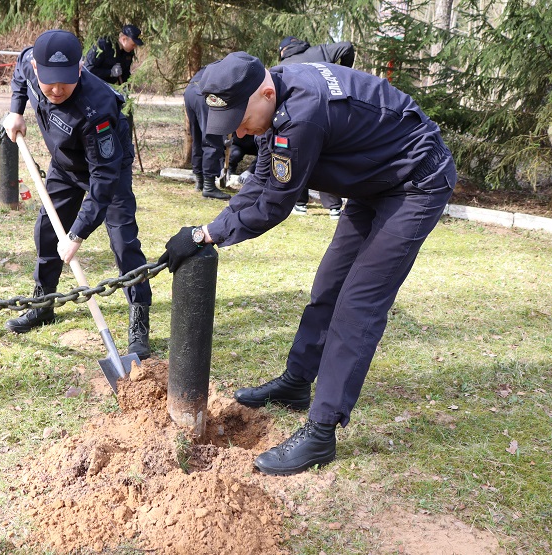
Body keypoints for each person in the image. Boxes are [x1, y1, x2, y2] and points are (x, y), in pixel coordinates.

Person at [159, 52, 455, 475]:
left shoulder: (302, 116)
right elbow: (262, 180)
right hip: (374, 182)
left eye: (241, 121)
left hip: (415, 184)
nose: (239, 132)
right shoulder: (275, 102)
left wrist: (207, 235)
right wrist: (206, 230)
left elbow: (273, 204)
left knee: (358, 304)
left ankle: (321, 431)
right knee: (328, 286)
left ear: (265, 93)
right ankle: (297, 383)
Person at [2, 30, 152, 359]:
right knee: (45, 231)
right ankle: (43, 304)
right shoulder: (29, 64)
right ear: (37, 69)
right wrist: (16, 110)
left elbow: (103, 179)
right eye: (50, 82)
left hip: (108, 171)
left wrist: (77, 234)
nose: (57, 90)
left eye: (66, 82)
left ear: (80, 69)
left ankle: (139, 319)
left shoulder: (97, 107)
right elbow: (19, 70)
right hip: (65, 166)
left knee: (124, 243)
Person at [279, 36, 356, 219]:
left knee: (298, 155)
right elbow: (346, 47)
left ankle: (300, 204)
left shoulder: (284, 66)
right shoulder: (319, 51)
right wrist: (342, 73)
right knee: (327, 157)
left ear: (283, 51)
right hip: (332, 112)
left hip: (301, 115)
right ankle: (334, 207)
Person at [183, 67, 231, 200]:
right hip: (205, 93)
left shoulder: (224, 64)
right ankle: (209, 186)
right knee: (212, 137)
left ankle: (200, 181)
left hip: (190, 91)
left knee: (197, 136)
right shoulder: (245, 70)